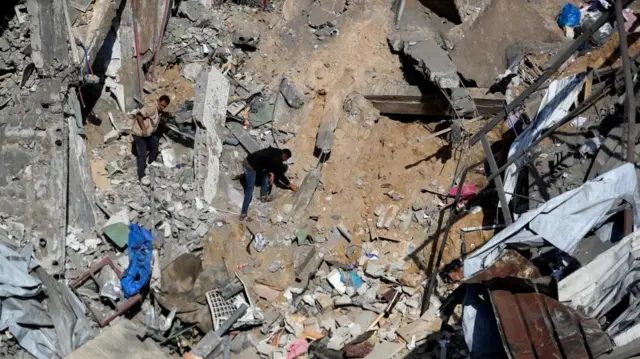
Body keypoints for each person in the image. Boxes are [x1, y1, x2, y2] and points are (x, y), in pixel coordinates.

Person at [241, 147, 298, 221]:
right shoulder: (276, 161)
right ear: (285, 157)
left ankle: (263, 196)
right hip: (249, 166)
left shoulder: (275, 151)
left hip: (251, 160)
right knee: (250, 189)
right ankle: (243, 214)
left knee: (267, 175)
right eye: (286, 159)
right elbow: (280, 175)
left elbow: (267, 161)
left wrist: (271, 173)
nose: (285, 161)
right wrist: (290, 185)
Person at [132, 95, 170, 184]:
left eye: (164, 106)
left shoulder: (158, 110)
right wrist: (144, 129)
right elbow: (139, 115)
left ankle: (150, 163)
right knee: (142, 154)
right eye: (161, 105)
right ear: (158, 101)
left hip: (149, 134)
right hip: (140, 134)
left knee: (155, 146)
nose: (162, 107)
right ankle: (141, 176)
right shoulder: (152, 107)